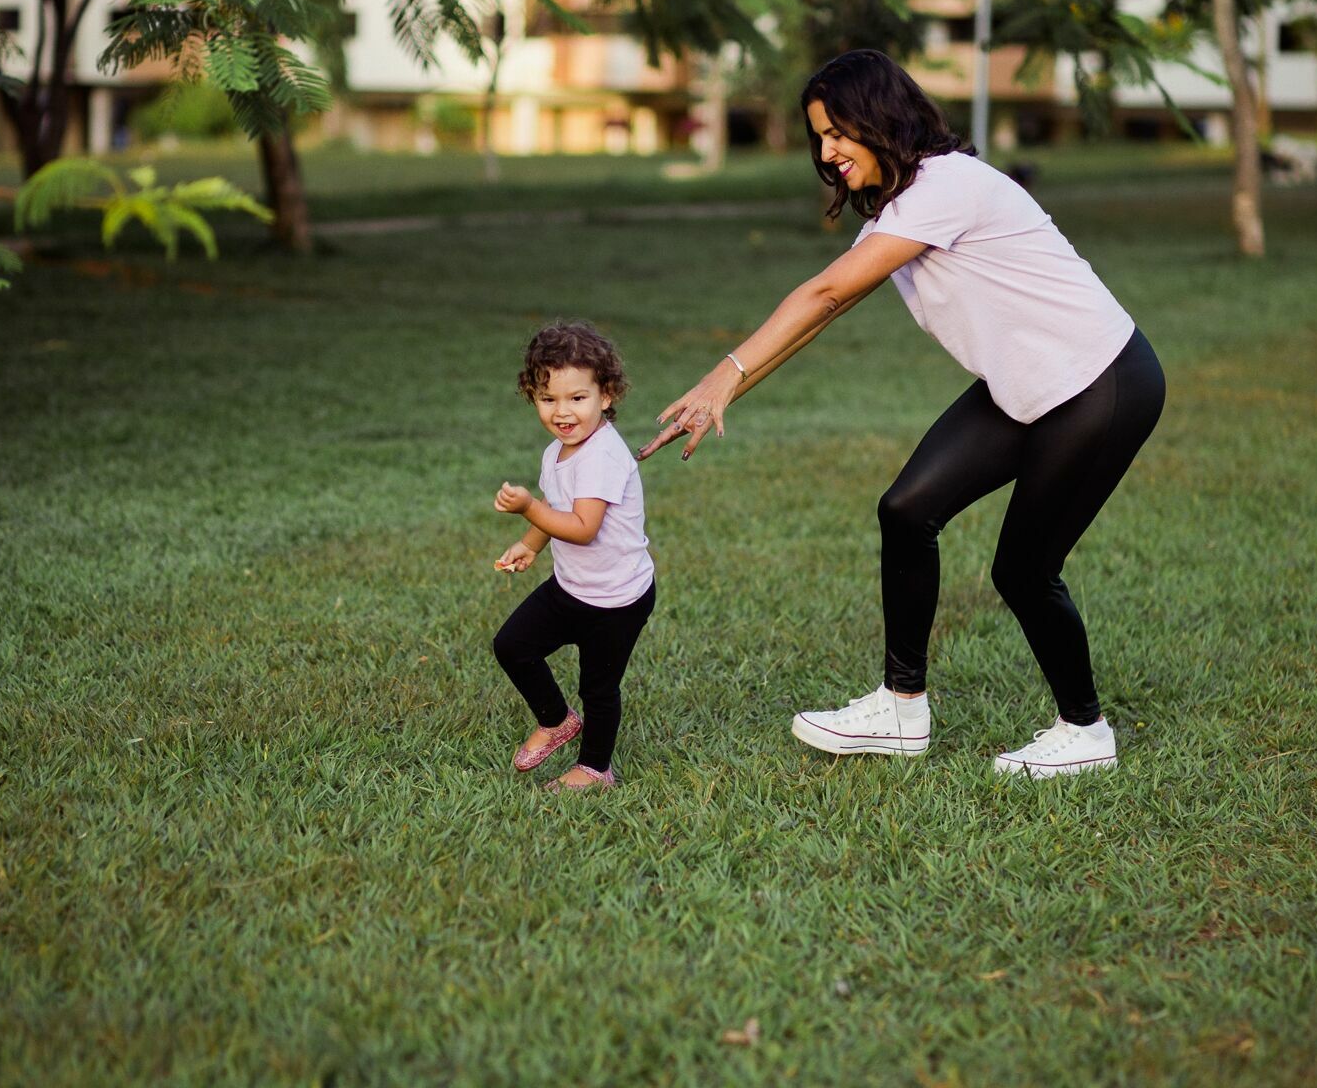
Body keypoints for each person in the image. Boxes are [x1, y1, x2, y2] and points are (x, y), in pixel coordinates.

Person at [638, 50, 1165, 778]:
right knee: (908, 509)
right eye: (819, 138)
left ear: (877, 117)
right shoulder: (909, 205)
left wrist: (723, 374)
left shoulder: (946, 186)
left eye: (836, 132)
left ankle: (1085, 732)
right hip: (1028, 386)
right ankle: (901, 709)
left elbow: (824, 293)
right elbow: (830, 307)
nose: (827, 152)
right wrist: (728, 389)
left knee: (1023, 570)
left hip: (1099, 383)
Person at [491, 323, 657, 792]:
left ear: (606, 395)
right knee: (512, 645)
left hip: (617, 599)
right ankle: (556, 719)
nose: (562, 411)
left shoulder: (602, 455)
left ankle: (595, 769)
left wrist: (529, 507)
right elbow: (558, 507)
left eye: (577, 398)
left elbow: (583, 528)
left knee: (598, 688)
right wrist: (530, 542)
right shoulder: (558, 452)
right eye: (548, 399)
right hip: (571, 588)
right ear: (532, 397)